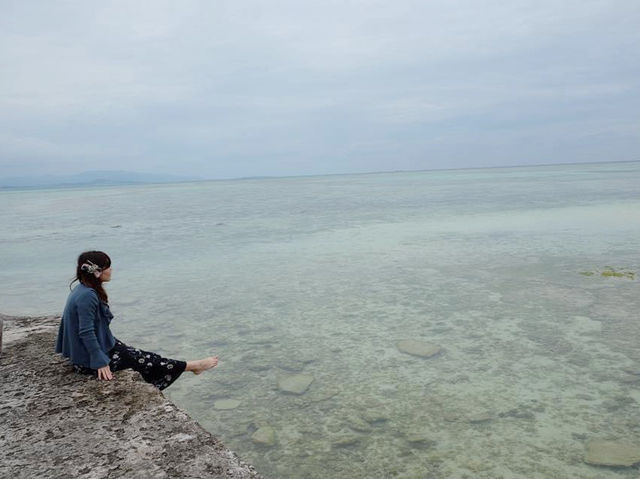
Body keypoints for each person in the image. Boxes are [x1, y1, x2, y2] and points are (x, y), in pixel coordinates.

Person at [55, 251, 218, 390]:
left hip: (97, 348)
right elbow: (86, 331)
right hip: (89, 360)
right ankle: (194, 366)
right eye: (108, 266)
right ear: (97, 271)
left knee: (142, 355)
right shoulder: (87, 295)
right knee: (148, 361)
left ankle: (191, 366)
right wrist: (99, 362)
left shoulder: (82, 288)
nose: (111, 270)